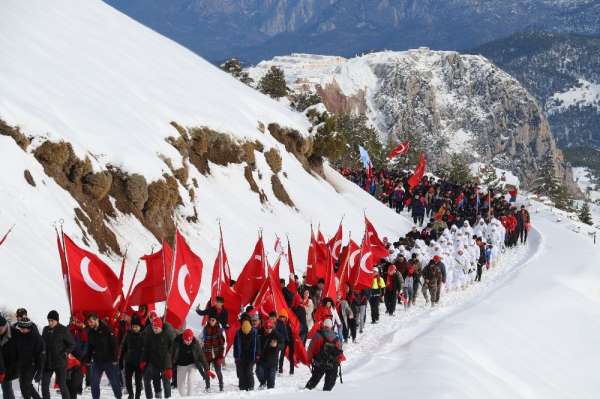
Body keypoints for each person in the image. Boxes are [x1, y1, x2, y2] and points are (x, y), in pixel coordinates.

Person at [84, 313, 122, 399]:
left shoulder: (107, 329)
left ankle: (119, 397)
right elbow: (90, 346)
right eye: (88, 322)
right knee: (94, 382)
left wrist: (115, 359)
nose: (89, 324)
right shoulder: (90, 332)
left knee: (114, 382)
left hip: (109, 361)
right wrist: (88, 359)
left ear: (97, 320)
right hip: (97, 361)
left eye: (91, 322)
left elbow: (114, 345)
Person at [41, 310, 75, 399]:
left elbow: (72, 344)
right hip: (47, 362)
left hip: (60, 362)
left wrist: (65, 353)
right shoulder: (45, 329)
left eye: (52, 320)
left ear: (57, 320)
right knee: (44, 385)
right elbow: (42, 344)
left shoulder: (63, 330)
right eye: (49, 320)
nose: (50, 322)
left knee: (62, 385)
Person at [305, 319, 343, 391]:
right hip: (333, 364)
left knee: (313, 381)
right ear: (331, 326)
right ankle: (325, 395)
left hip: (320, 363)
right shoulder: (336, 337)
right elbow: (339, 352)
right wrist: (338, 361)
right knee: (329, 386)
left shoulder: (318, 335)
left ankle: (304, 392)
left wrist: (308, 361)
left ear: (323, 325)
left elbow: (311, 349)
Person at [140, 317, 173, 399]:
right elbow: (146, 348)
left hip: (165, 362)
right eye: (153, 328)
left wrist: (169, 367)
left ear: (161, 327)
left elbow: (170, 352)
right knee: (155, 380)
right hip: (154, 361)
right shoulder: (150, 335)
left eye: (157, 328)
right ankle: (158, 395)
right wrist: (143, 360)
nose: (155, 330)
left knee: (166, 381)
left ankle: (167, 397)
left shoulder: (167, 335)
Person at [13, 318, 44, 399]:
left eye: (24, 328)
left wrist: (40, 371)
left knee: (26, 384)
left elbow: (41, 355)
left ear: (29, 327)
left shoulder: (36, 337)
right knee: (24, 386)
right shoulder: (18, 334)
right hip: (21, 364)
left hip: (32, 364)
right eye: (21, 328)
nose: (22, 330)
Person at [172, 329, 209, 396]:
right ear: (183, 339)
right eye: (187, 340)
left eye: (190, 340)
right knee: (180, 386)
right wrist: (168, 367)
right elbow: (171, 355)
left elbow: (201, 356)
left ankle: (189, 396)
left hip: (192, 364)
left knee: (190, 380)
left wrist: (207, 369)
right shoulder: (176, 342)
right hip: (181, 364)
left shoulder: (195, 343)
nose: (189, 342)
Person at [233, 314, 260, 391]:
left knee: (248, 371)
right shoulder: (238, 333)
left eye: (246, 320)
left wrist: (257, 354)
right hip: (241, 356)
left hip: (251, 356)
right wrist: (236, 356)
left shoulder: (254, 332)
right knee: (241, 372)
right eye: (243, 320)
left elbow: (257, 344)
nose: (245, 322)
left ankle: (250, 386)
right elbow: (236, 345)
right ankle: (242, 386)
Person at [201, 311, 225, 392]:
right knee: (206, 370)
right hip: (207, 353)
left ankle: (221, 385)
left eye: (213, 320)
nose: (211, 321)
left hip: (216, 354)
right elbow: (201, 339)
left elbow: (223, 344)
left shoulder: (219, 330)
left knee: (218, 371)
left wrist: (221, 356)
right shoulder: (205, 329)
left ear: (216, 321)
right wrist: (201, 342)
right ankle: (207, 387)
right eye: (210, 320)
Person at [121, 316, 144, 399]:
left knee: (138, 382)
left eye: (136, 327)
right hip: (129, 362)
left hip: (139, 363)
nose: (135, 328)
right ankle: (131, 394)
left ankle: (137, 396)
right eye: (133, 326)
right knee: (128, 381)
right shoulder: (128, 335)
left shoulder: (143, 336)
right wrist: (120, 360)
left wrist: (145, 361)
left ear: (140, 327)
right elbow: (123, 348)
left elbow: (147, 350)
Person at [256, 320, 280, 389]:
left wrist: (276, 345)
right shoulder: (259, 333)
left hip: (272, 359)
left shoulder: (276, 334)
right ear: (264, 327)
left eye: (270, 328)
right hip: (262, 358)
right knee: (258, 371)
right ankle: (263, 383)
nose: (268, 329)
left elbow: (282, 343)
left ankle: (270, 391)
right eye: (266, 328)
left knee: (271, 380)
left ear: (272, 327)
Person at [1, 315, 18, 399]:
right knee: (5, 388)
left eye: (0, 328)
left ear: (5, 326)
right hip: (2, 365)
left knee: (7, 388)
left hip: (10, 366)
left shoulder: (15, 334)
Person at [274, 310, 294, 375]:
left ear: (286, 317)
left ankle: (291, 371)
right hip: (283, 341)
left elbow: (292, 332)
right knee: (281, 355)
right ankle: (280, 369)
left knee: (291, 356)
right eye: (281, 317)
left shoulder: (289, 324)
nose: (282, 318)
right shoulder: (278, 324)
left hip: (290, 340)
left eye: (284, 317)